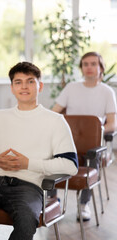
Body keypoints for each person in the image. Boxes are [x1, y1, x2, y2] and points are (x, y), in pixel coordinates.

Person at [0, 62, 78, 240]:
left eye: (30, 81)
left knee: (27, 221)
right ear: (12, 88)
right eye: (18, 82)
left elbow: (71, 166)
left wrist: (29, 163)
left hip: (27, 187)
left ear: (40, 86)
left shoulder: (55, 121)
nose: (24, 87)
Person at [52, 51, 117, 221]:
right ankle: (51, 200)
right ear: (81, 68)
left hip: (92, 144)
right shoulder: (71, 88)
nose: (89, 67)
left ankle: (83, 204)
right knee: (50, 156)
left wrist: (96, 132)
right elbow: (54, 113)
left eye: (93, 64)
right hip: (68, 142)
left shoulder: (107, 92)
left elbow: (112, 123)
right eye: (85, 64)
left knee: (91, 155)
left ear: (100, 68)